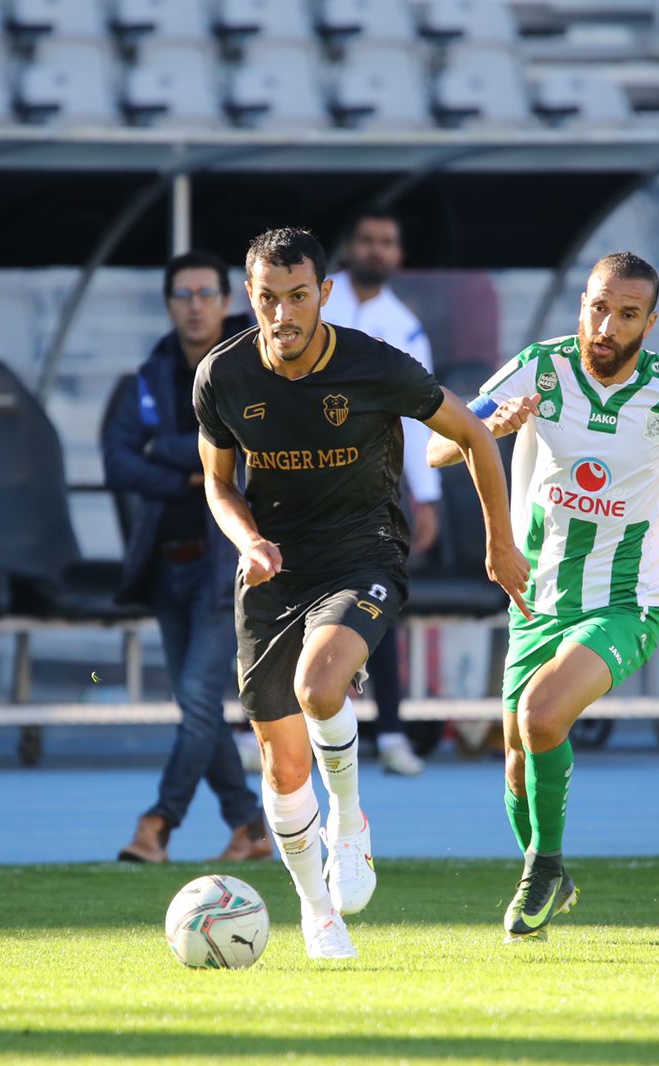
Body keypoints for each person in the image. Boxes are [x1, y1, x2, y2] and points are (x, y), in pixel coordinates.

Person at [193, 227, 529, 960]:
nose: (283, 314)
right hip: (272, 571)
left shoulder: (375, 364)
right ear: (249, 296)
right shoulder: (222, 375)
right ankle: (319, 913)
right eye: (268, 298)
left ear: (324, 293)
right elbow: (218, 483)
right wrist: (249, 542)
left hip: (362, 555)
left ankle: (349, 821)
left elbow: (473, 434)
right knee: (283, 770)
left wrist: (500, 544)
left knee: (320, 687)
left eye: (298, 296)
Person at [427, 251, 659, 943]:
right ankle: (547, 871)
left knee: (542, 715)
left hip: (624, 605)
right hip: (535, 602)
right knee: (517, 765)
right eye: (598, 308)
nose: (607, 327)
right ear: (582, 305)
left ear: (650, 322)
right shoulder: (540, 368)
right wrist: (493, 428)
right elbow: (443, 446)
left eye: (626, 314)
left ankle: (544, 869)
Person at [103, 250, 269, 866]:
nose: (195, 306)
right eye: (183, 295)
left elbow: (248, 448)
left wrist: (165, 449)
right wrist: (189, 476)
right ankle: (250, 827)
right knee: (197, 706)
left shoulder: (253, 365)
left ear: (227, 301)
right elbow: (118, 461)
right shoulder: (149, 375)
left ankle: (157, 826)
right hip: (164, 565)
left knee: (199, 700)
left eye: (205, 294)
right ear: (169, 304)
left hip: (226, 565)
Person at [322, 208, 441, 776]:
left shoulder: (405, 325)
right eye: (367, 240)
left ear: (398, 254)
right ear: (349, 247)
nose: (376, 250)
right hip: (303, 480)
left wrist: (427, 496)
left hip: (375, 492)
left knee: (376, 603)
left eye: (386, 242)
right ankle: (265, 731)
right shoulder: (315, 301)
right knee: (286, 608)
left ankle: (390, 733)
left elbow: (421, 418)